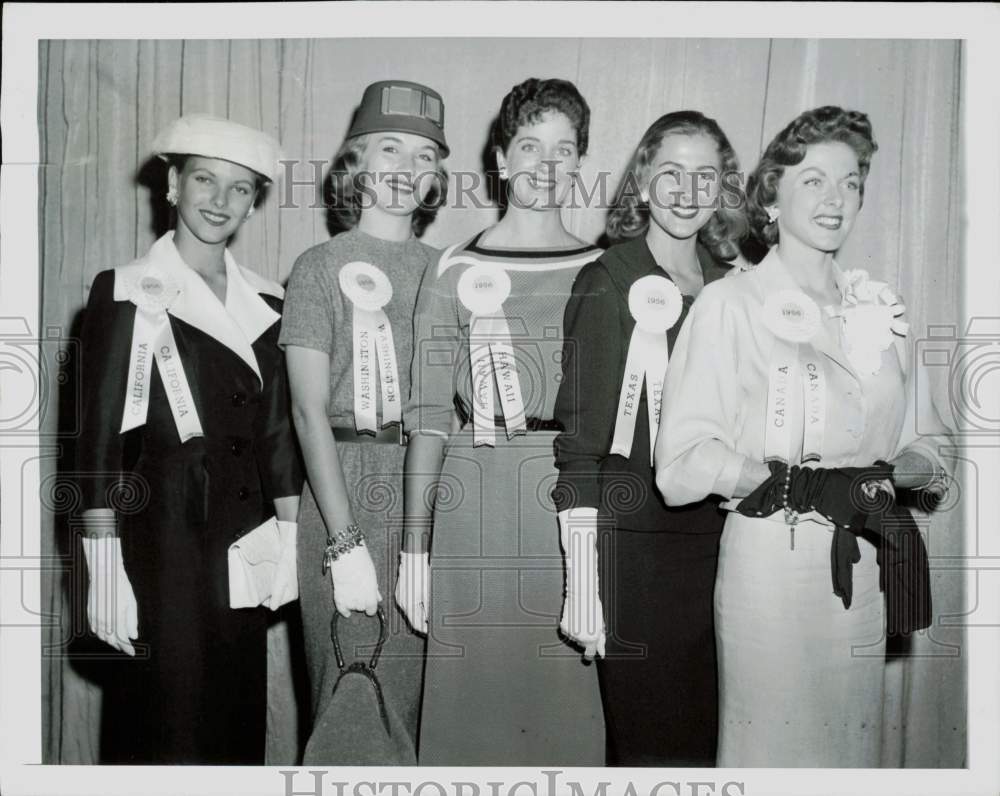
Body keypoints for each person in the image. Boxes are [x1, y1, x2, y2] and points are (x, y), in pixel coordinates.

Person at [653, 106, 951, 767]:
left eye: (851, 183)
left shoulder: (882, 309)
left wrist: (903, 470)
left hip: (865, 572)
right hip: (771, 572)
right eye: (813, 180)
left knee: (850, 753)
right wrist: (796, 483)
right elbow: (680, 463)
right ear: (771, 194)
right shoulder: (732, 305)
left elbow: (935, 443)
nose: (835, 198)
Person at [76, 114, 303, 764]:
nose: (219, 200)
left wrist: (290, 535)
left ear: (253, 202)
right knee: (167, 731)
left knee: (234, 734)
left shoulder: (268, 299)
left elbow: (279, 436)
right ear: (172, 184)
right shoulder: (123, 290)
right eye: (204, 179)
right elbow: (98, 444)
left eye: (239, 188)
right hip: (161, 550)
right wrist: (103, 565)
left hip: (244, 552)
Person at [398, 77, 605, 766]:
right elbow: (428, 418)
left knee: (565, 708)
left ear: (579, 163)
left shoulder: (605, 268)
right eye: (530, 145)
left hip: (569, 506)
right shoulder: (454, 268)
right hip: (473, 502)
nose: (546, 165)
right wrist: (413, 550)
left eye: (564, 148)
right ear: (500, 159)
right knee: (471, 714)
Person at [552, 111, 747, 766]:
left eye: (704, 176)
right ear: (641, 182)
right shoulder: (608, 279)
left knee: (713, 750)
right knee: (653, 752)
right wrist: (583, 578)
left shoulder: (736, 286)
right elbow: (581, 445)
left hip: (730, 549)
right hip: (637, 555)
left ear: (722, 190)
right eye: (671, 173)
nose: (687, 191)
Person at [279, 80, 449, 765]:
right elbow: (306, 409)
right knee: (346, 703)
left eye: (425, 155)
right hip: (340, 490)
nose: (408, 170)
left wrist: (419, 539)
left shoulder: (452, 271)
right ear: (355, 161)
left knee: (407, 711)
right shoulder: (317, 267)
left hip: (430, 494)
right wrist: (344, 541)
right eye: (389, 149)